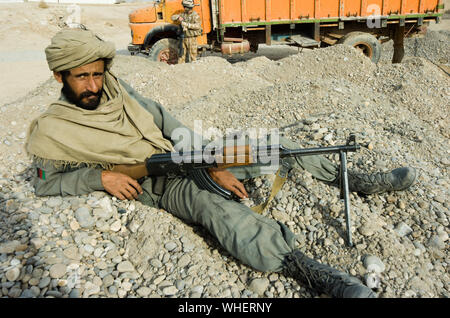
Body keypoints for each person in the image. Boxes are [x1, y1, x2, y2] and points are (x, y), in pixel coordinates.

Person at [26, 28, 417, 298]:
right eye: (82, 77)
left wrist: (209, 159)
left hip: (181, 151)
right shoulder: (54, 127)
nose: (93, 86)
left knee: (271, 145)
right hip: (156, 182)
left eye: (97, 73)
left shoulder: (117, 89)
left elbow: (163, 118)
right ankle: (303, 267)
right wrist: (101, 178)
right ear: (60, 75)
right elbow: (46, 180)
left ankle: (355, 179)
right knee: (213, 206)